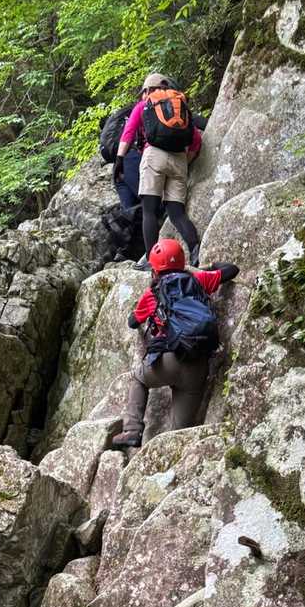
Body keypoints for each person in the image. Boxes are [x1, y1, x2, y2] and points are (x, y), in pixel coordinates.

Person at [111, 238, 239, 452]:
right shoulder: (198, 280)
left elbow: (133, 322)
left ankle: (132, 430)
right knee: (178, 436)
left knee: (138, 379)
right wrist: (208, 268)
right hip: (198, 367)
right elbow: (231, 270)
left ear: (154, 269)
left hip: (167, 361)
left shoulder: (152, 294)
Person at [115, 73, 203, 263]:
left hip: (154, 155)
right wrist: (184, 163)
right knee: (177, 213)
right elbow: (196, 141)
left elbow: (128, 133)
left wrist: (119, 159)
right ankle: (195, 248)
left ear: (148, 90)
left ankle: (151, 261)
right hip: (179, 159)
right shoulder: (180, 106)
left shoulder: (145, 105)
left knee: (149, 211)